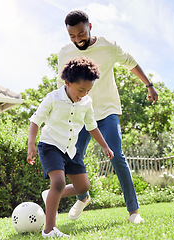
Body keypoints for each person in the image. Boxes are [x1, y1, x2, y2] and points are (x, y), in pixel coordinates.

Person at [57, 10, 158, 224]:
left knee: (117, 156)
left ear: (90, 27)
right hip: (81, 115)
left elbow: (131, 63)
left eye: (81, 34)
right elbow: (62, 88)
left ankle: (133, 212)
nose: (77, 40)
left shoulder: (108, 47)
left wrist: (148, 85)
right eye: (72, 36)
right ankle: (83, 197)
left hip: (107, 112)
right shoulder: (64, 54)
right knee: (73, 161)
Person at [27, 57, 114, 238]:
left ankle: (50, 194)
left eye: (87, 90)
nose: (83, 94)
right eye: (80, 89)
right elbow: (36, 120)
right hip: (50, 145)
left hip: (70, 150)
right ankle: (49, 229)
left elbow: (92, 126)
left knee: (83, 187)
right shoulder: (53, 98)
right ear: (67, 82)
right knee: (58, 183)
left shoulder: (86, 103)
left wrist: (105, 146)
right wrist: (31, 145)